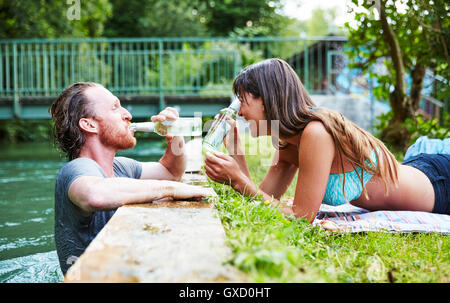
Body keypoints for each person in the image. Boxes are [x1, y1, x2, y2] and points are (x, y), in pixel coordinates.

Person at [204, 58, 449, 223]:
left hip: (440, 185)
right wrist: (235, 151)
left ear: (267, 100)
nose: (240, 112)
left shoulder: (316, 133)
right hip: (419, 169)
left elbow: (301, 216)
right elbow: (262, 197)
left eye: (242, 101)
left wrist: (237, 180)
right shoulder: (288, 144)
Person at [50, 82, 214, 275]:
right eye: (115, 107)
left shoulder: (120, 167)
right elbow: (95, 194)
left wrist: (174, 135)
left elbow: (170, 172)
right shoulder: (76, 168)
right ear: (89, 124)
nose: (127, 114)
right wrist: (170, 189)